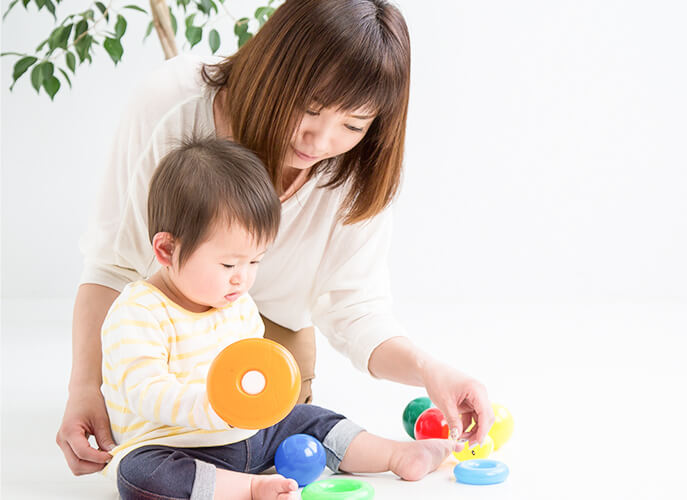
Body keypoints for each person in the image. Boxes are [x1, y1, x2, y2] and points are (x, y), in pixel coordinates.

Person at [56, 0, 494, 476]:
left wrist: (431, 371)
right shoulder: (173, 103)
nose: (319, 142)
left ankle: (392, 455)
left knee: (284, 425)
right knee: (155, 451)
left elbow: (356, 310)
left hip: (264, 336)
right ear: (274, 67)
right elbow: (112, 265)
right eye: (310, 109)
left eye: (352, 125)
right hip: (168, 323)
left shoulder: (357, 169)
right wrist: (85, 388)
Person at [102, 137, 456, 500]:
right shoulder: (139, 312)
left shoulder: (236, 303)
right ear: (166, 249)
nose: (243, 277)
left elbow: (253, 367)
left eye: (254, 261)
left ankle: (394, 454)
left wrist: (266, 398)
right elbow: (144, 391)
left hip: (250, 434)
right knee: (137, 474)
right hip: (177, 445)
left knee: (308, 418)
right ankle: (247, 488)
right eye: (228, 264)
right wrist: (217, 408)